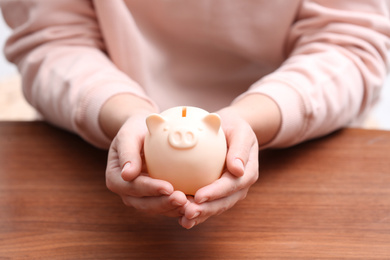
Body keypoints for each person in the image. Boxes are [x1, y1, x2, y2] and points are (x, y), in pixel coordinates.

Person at [1, 0, 389, 229]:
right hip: (103, 128)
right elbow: (53, 40)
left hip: (301, 132)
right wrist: (126, 113)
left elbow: (351, 42)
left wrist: (252, 117)